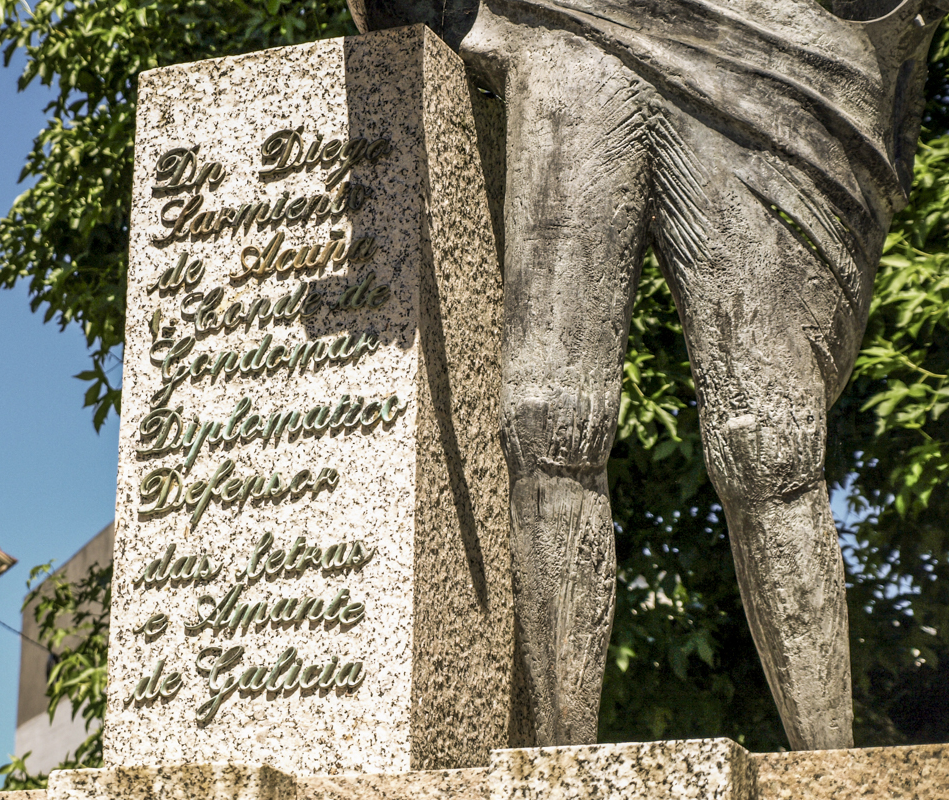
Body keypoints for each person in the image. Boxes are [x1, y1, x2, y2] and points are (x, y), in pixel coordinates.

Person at [348, 0, 948, 750]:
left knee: (771, 437)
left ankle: (832, 770)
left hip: (744, 48)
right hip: (562, 34)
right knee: (548, 417)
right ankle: (557, 768)